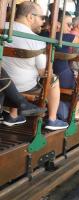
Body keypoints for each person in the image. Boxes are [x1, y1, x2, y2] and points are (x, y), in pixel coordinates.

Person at [2, 1, 68, 130]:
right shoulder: (37, 40)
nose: (43, 21)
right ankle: (52, 120)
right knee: (53, 78)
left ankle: (13, 116)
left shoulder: (2, 27)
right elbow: (43, 72)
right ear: (30, 17)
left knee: (12, 69)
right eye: (42, 17)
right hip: (24, 85)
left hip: (3, 82)